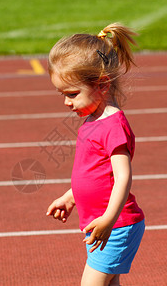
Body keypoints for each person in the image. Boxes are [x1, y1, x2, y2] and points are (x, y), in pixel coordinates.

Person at [46, 23, 145, 286]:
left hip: (116, 225)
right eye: (62, 94)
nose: (66, 102)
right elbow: (94, 172)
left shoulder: (113, 125)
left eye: (72, 94)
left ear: (101, 84)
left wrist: (108, 221)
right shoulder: (93, 120)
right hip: (100, 224)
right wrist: (70, 196)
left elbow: (122, 177)